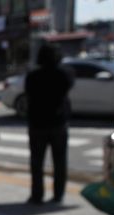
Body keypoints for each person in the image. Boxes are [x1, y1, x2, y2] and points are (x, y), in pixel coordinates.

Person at [24, 43, 74, 204]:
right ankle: (58, 194)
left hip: (37, 123)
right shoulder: (64, 74)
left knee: (36, 162)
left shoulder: (33, 76)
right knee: (60, 161)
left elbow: (28, 94)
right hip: (58, 122)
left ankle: (37, 194)